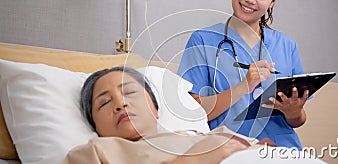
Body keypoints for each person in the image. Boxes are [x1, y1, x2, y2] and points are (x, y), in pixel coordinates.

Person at [177, 0, 308, 149]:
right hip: (228, 148)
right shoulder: (203, 40)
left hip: (281, 149)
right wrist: (243, 87)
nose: (251, 1)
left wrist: (293, 112)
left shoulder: (286, 46)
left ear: (272, 2)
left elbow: (298, 120)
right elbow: (192, 113)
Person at [72, 66, 253, 163]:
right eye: (104, 102)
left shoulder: (210, 135)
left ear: (154, 108)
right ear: (94, 123)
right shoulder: (96, 152)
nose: (121, 103)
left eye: (129, 92)